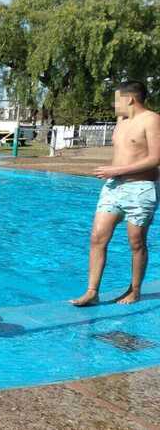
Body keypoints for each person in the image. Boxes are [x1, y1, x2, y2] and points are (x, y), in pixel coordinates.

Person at [72, 80, 160, 306]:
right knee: (97, 237)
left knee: (136, 242)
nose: (114, 105)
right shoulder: (121, 122)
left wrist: (117, 169)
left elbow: (156, 159)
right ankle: (92, 292)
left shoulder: (152, 120)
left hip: (140, 189)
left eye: (116, 99)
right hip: (113, 188)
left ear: (129, 98)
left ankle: (135, 290)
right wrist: (113, 172)